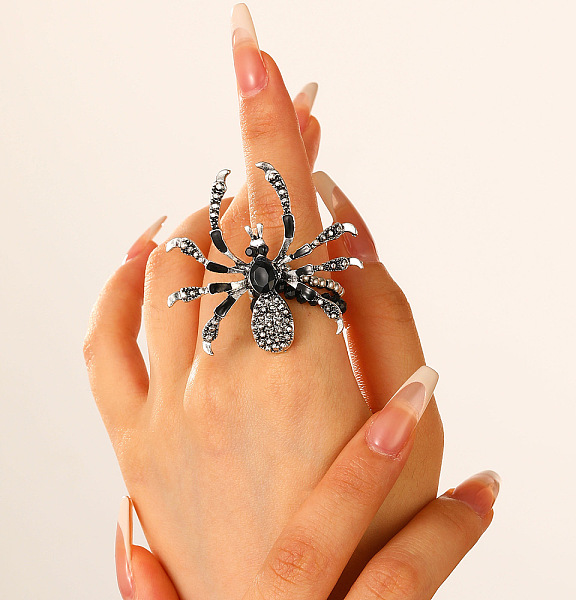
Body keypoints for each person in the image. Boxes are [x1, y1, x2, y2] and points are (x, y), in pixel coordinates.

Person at [83, 5, 500, 599]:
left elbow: (219, 290)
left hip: (268, 301)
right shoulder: (261, 279)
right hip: (275, 300)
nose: (254, 257)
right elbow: (283, 291)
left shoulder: (238, 278)